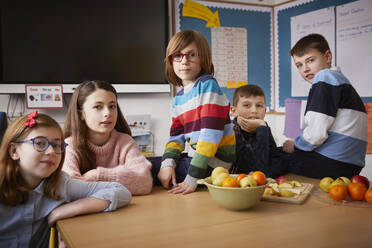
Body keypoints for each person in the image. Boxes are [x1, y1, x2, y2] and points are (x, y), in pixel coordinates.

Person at [0, 111, 131, 247]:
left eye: (57, 145)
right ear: (14, 151)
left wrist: (71, 209)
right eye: (39, 143)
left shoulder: (61, 184)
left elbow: (120, 190)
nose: (51, 151)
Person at [157, 30, 236, 194]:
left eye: (191, 55)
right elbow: (176, 137)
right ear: (171, 60)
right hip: (198, 158)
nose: (184, 61)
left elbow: (210, 135)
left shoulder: (208, 85)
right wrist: (168, 164)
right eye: (177, 55)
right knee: (156, 165)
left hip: (214, 164)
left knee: (147, 168)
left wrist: (192, 179)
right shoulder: (179, 98)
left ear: (203, 59)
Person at [282, 33, 368, 178]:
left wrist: (295, 145)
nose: (305, 69)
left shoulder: (325, 77)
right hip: (352, 166)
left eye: (310, 60)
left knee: (275, 156)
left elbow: (316, 135)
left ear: (328, 57)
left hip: (330, 162)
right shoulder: (342, 82)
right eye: (299, 65)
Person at [62, 80, 153, 195]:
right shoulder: (69, 145)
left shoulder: (125, 142)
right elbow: (70, 188)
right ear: (81, 114)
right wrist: (122, 180)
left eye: (112, 106)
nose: (107, 113)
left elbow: (145, 182)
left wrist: (97, 175)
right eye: (98, 107)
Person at [230, 84, 287, 178]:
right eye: (247, 105)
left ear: (265, 110)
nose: (254, 110)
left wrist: (262, 127)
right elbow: (259, 170)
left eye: (259, 106)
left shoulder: (263, 126)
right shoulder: (232, 130)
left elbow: (278, 161)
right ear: (234, 111)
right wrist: (266, 171)